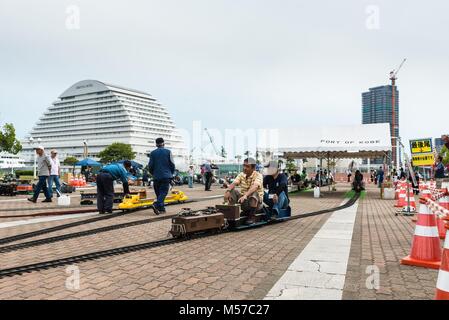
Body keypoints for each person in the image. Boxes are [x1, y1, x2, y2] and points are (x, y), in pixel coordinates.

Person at [224, 158, 264, 225]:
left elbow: (255, 186)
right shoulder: (241, 174)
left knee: (254, 193)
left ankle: (252, 217)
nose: (244, 168)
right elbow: (234, 183)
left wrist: (245, 195)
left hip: (256, 204)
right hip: (244, 201)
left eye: (247, 166)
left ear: (253, 168)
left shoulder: (258, 175)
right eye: (244, 165)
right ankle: (231, 214)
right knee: (232, 191)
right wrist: (228, 191)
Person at [148, 137, 175, 214]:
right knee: (163, 193)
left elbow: (150, 166)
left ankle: (162, 209)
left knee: (159, 193)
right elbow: (172, 164)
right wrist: (171, 174)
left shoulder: (152, 153)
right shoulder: (168, 152)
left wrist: (153, 173)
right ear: (163, 143)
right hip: (166, 176)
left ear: (156, 144)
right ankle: (156, 204)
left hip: (156, 176)